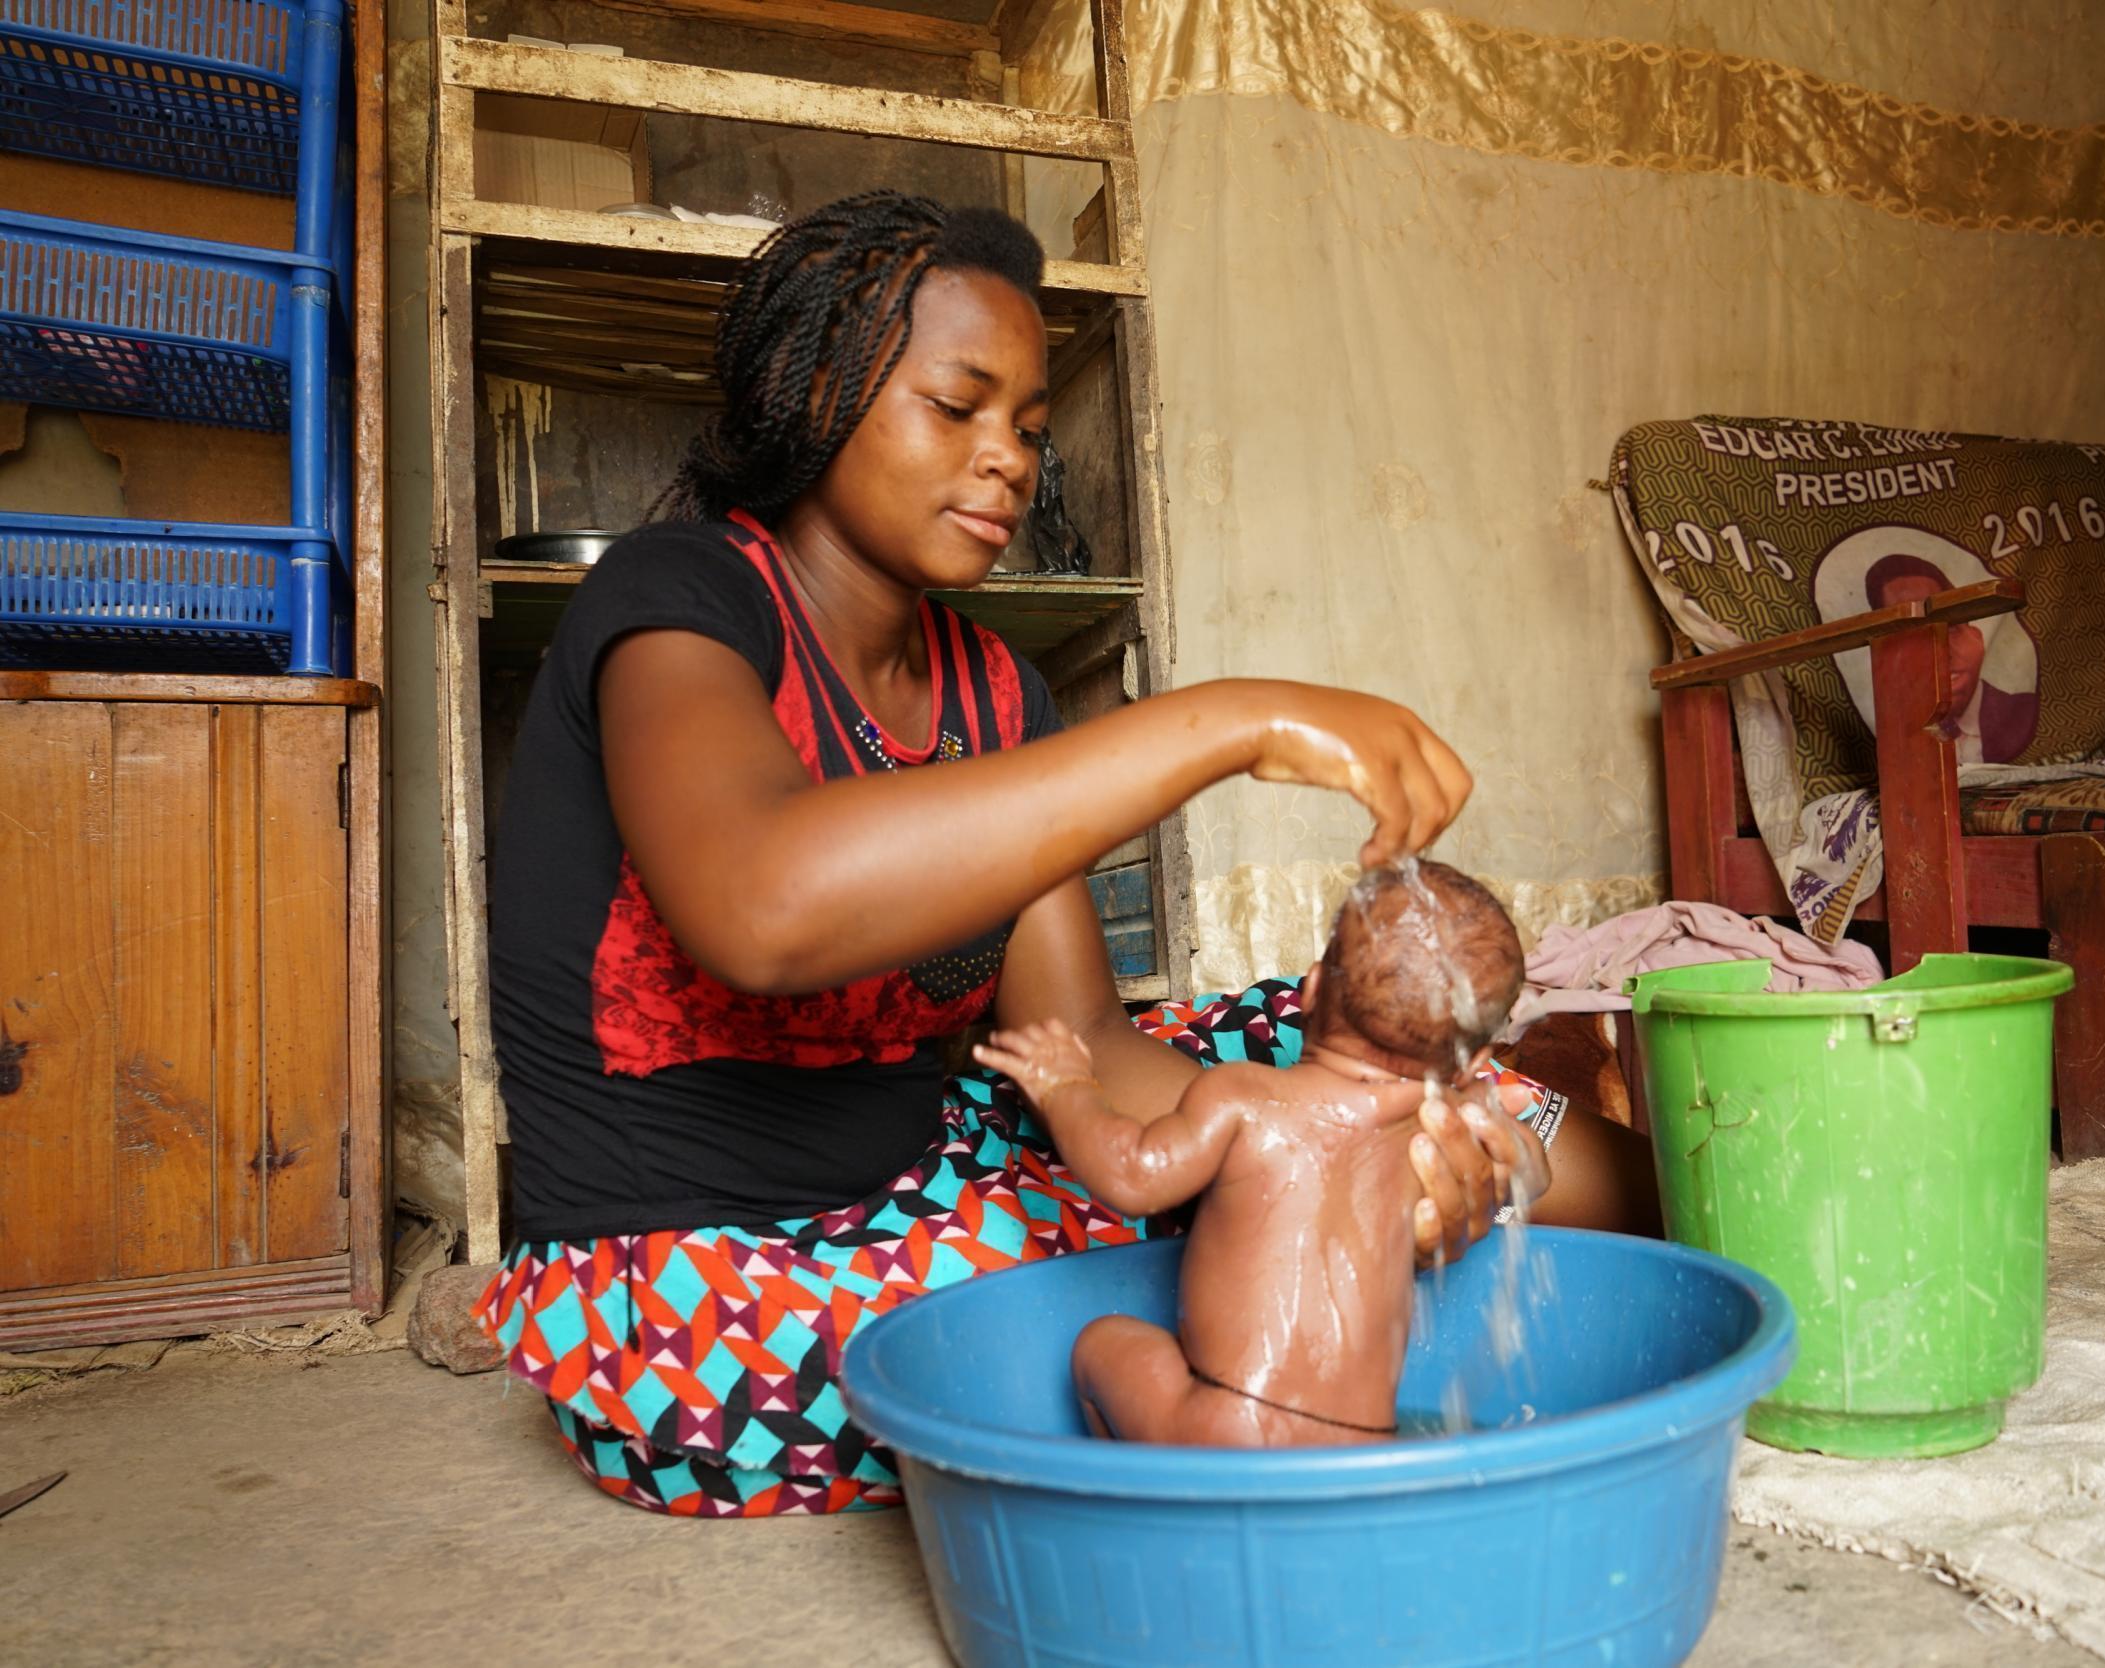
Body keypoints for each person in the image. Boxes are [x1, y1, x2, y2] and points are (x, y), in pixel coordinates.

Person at [469, 192, 1658, 1516]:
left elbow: (1084, 1039)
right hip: (701, 1269)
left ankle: (1554, 1158)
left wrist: (1399, 1129)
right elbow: (765, 908)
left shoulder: (991, 690)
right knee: (1222, 1238)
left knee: (1344, 1056)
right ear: (813, 390)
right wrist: (1229, 720)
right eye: (957, 406)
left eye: (1028, 427)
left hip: (931, 1168)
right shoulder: (678, 599)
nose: (1011, 461)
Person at [975, 862, 1526, 1447]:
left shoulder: (1242, 1096)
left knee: (1102, 1343)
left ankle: (1145, 1497)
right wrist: (1507, 1151)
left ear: (1309, 990)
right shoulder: (1436, 1132)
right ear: (1473, 1060)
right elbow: (1529, 1168)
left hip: (1224, 1430)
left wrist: (1066, 1089)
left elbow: (1133, 1176)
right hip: (1363, 1447)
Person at [1861, 553, 2038, 762]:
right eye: (1912, 637)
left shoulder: (2030, 716)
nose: (1939, 651)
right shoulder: (1887, 741)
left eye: (1951, 629)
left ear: (1977, 638)